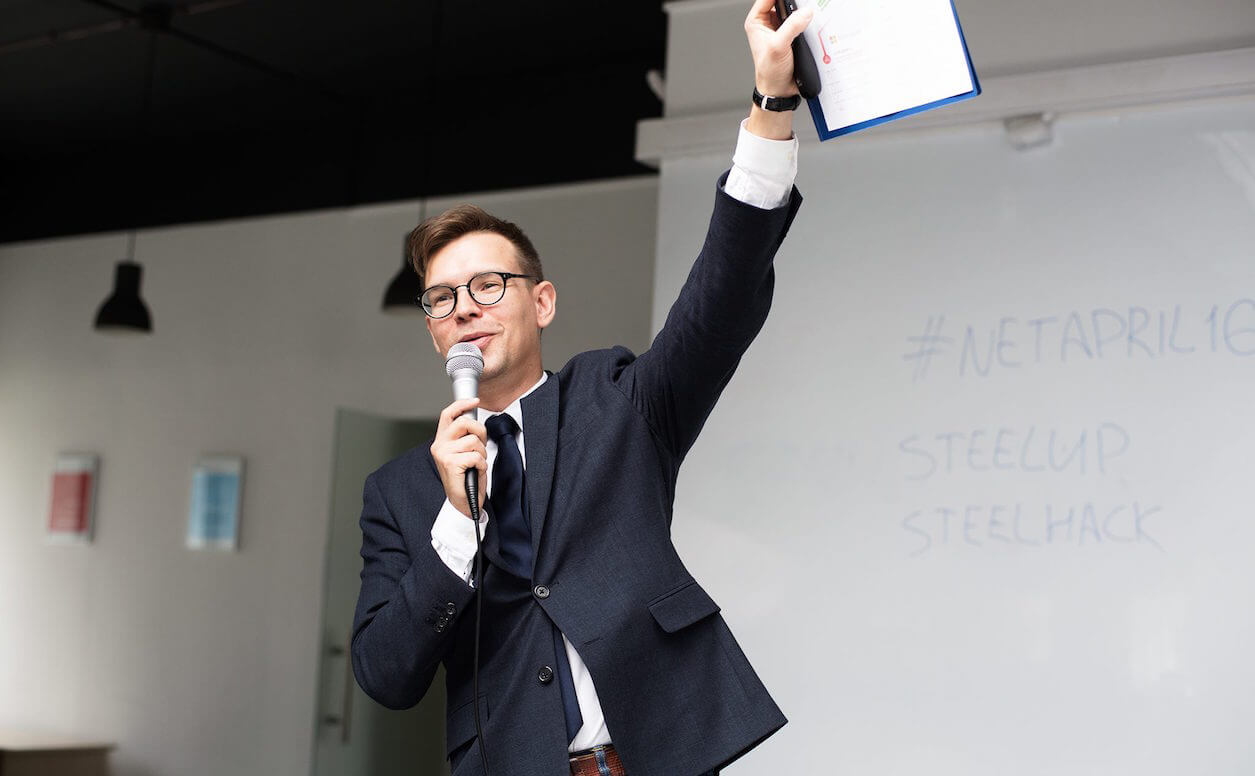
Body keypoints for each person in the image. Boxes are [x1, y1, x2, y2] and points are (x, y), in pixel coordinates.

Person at [351, 1, 814, 774]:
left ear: (542, 303)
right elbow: (384, 675)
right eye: (441, 298)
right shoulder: (398, 491)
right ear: (432, 329)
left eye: (488, 286)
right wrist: (456, 523)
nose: (463, 307)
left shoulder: (616, 402)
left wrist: (770, 106)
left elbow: (720, 298)